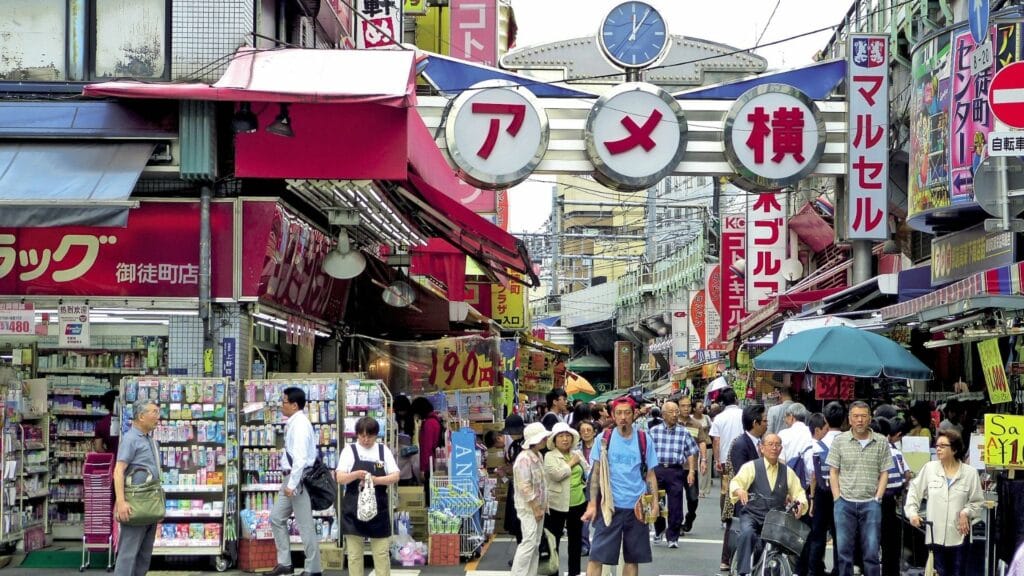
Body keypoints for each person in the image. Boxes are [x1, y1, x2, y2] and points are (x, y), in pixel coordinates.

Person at [582, 396, 659, 576]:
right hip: (609, 506)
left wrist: (655, 503)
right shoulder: (604, 439)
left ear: (634, 415)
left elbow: (650, 474)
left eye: (627, 412)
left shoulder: (644, 439)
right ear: (613, 416)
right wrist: (592, 504)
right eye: (619, 413)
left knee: (632, 558)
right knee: (597, 556)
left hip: (637, 507)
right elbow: (595, 474)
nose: (623, 417)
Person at [904, 428, 985, 576]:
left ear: (954, 449)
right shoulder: (929, 469)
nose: (938, 449)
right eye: (937, 446)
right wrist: (912, 513)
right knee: (938, 572)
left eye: (943, 446)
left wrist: (966, 512)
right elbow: (914, 492)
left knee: (958, 572)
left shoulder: (970, 473)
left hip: (960, 536)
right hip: (935, 535)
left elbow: (977, 502)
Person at [729, 433, 809, 576]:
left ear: (781, 448)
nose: (774, 448)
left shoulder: (787, 472)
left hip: (776, 519)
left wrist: (801, 504)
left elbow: (799, 492)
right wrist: (740, 490)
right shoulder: (751, 467)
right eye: (770, 445)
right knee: (747, 534)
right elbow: (736, 482)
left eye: (777, 445)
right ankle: (743, 572)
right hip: (753, 515)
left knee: (791, 543)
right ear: (762, 448)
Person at [827, 400, 891, 576]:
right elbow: (833, 472)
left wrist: (878, 497)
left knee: (871, 552)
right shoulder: (839, 441)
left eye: (863, 416)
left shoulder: (881, 442)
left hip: (871, 503)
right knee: (843, 552)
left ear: (870, 418)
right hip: (844, 503)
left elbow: (885, 472)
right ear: (849, 419)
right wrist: (837, 498)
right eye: (856, 416)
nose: (860, 420)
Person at [336, 416, 399, 576]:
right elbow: (340, 477)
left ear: (376, 435)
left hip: (379, 508)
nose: (365, 439)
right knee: (355, 555)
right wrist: (356, 474)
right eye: (362, 435)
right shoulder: (349, 451)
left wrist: (376, 480)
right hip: (352, 508)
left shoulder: (382, 450)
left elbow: (395, 475)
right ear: (356, 434)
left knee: (381, 554)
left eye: (369, 436)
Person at [269, 387, 321, 576]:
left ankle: (313, 569)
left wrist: (292, 484)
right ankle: (285, 563)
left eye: (284, 402)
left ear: (294, 405)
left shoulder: (300, 425)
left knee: (304, 524)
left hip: (297, 479)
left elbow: (299, 458)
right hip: (290, 478)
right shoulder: (294, 423)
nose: (281, 405)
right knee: (276, 518)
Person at [113, 399, 161, 576]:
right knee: (128, 554)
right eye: (154, 412)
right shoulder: (130, 439)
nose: (158, 416)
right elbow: (118, 471)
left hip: (149, 504)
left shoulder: (150, 440)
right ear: (141, 416)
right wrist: (121, 502)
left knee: (144, 554)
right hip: (135, 505)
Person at [722, 404, 767, 572]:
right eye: (764, 420)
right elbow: (742, 474)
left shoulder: (760, 443)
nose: (766, 423)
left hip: (757, 500)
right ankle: (736, 564)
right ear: (755, 423)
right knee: (742, 532)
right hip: (745, 498)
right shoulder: (741, 444)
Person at [649, 401, 699, 547]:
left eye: (676, 411)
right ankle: (659, 530)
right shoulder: (654, 431)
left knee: (675, 504)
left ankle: (673, 537)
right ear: (663, 415)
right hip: (657, 469)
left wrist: (691, 471)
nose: (675, 415)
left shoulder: (683, 432)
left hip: (675, 470)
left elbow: (691, 452)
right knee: (656, 501)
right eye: (671, 412)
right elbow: (647, 453)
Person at [545, 422, 589, 576]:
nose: (565, 439)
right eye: (561, 436)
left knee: (575, 541)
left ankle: (574, 572)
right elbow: (556, 475)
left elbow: (587, 471)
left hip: (578, 502)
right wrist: (571, 463)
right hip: (557, 504)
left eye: (568, 436)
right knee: (554, 541)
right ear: (555, 440)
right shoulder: (549, 456)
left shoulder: (577, 453)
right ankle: (553, 571)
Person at [806, 402, 845, 576]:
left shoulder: (817, 445)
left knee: (818, 534)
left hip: (822, 493)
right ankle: (839, 569)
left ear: (826, 420)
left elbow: (812, 474)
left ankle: (815, 569)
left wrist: (812, 499)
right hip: (844, 493)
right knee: (841, 535)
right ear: (845, 420)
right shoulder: (849, 442)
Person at [511, 422, 551, 576]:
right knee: (529, 543)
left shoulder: (537, 455)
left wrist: (539, 507)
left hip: (538, 507)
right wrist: (535, 507)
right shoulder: (524, 459)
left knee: (535, 543)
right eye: (543, 437)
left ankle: (530, 573)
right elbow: (525, 486)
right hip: (529, 508)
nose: (546, 439)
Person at [710, 387, 744, 572]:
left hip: (726, 459)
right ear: (736, 399)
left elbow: (716, 441)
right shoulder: (744, 414)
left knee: (727, 490)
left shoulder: (719, 418)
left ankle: (726, 515)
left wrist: (717, 459)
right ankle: (731, 514)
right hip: (744, 458)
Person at [879, 417, 910, 576]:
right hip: (889, 503)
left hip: (869, 503)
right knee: (890, 543)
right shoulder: (895, 453)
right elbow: (906, 475)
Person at [678, 395, 709, 532]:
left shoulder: (696, 425)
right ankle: (677, 524)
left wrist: (703, 460)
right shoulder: (673, 423)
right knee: (676, 498)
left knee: (693, 498)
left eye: (688, 406)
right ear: (678, 407)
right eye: (683, 406)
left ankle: (690, 517)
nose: (686, 408)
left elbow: (702, 442)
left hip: (690, 468)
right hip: (675, 467)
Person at [411, 396, 444, 501]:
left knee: (429, 495)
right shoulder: (436, 420)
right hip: (435, 462)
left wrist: (423, 470)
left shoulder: (429, 424)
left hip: (430, 465)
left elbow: (426, 448)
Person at [502, 414, 527, 545]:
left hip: (525, 488)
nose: (511, 435)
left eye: (513, 432)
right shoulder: (515, 445)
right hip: (516, 487)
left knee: (522, 523)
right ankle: (521, 554)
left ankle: (524, 556)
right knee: (517, 524)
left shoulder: (526, 445)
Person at [577, 419, 600, 556]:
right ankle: (584, 544)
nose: (585, 433)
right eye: (582, 431)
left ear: (594, 432)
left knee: (600, 517)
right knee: (585, 517)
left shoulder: (601, 447)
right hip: (583, 485)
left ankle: (599, 544)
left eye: (588, 430)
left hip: (598, 485)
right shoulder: (576, 449)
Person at [692, 400, 714, 497]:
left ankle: (702, 490)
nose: (702, 408)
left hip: (707, 444)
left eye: (702, 407)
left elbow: (712, 431)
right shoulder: (690, 419)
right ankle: (694, 487)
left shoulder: (707, 418)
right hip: (694, 446)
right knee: (694, 467)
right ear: (694, 409)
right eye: (700, 407)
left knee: (705, 467)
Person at [93, 389, 120, 454]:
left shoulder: (101, 423)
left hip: (112, 459)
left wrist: (109, 455)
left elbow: (98, 448)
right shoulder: (127, 420)